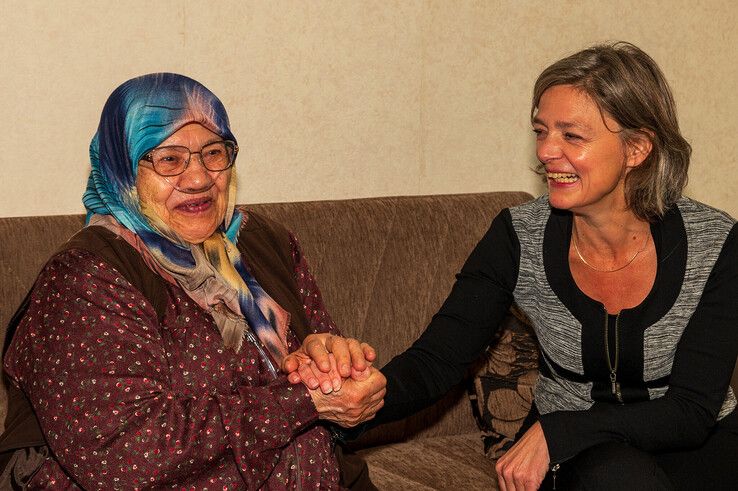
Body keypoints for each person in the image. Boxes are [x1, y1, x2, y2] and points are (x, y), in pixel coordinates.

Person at [285, 42, 738, 490]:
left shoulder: (714, 242)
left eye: (571, 135)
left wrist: (558, 431)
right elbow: (438, 360)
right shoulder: (518, 236)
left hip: (696, 444)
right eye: (541, 131)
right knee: (617, 476)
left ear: (637, 149)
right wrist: (362, 399)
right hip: (587, 461)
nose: (545, 151)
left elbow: (691, 412)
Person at [0, 73, 386, 489]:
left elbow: (331, 414)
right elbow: (126, 456)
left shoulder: (265, 243)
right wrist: (304, 402)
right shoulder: (85, 279)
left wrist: (335, 369)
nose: (200, 178)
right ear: (123, 168)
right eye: (169, 159)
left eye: (213, 153)